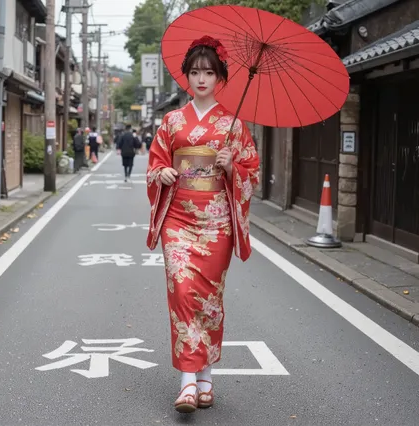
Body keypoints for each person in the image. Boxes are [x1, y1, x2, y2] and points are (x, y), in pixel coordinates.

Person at [145, 35, 260, 414]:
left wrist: (232, 167)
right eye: (194, 72)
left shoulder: (234, 125)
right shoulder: (171, 121)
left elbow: (251, 173)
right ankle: (188, 382)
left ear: (220, 76)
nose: (201, 78)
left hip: (217, 223)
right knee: (182, 292)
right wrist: (161, 173)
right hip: (178, 218)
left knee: (208, 299)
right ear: (186, 77)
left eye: (209, 72)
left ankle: (206, 375)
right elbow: (156, 162)